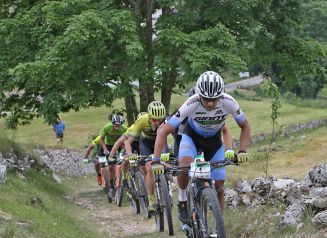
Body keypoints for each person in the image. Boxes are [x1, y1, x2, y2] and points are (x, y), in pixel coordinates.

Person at [151, 71, 250, 224]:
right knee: (184, 166)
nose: (210, 103)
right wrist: (156, 160)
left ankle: (219, 227)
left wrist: (242, 150)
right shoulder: (191, 103)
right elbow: (163, 130)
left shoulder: (229, 102)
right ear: (198, 95)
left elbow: (245, 126)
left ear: (221, 95)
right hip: (192, 138)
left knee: (219, 187)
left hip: (214, 142)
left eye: (214, 99)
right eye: (206, 99)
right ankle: (183, 199)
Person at [109, 102, 166, 215]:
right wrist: (127, 155)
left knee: (166, 163)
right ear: (149, 117)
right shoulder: (140, 122)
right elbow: (124, 142)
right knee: (144, 166)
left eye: (159, 120)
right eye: (154, 119)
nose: (157, 122)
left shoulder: (165, 121)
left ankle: (166, 187)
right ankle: (127, 179)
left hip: (158, 142)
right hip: (142, 144)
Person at [97, 114, 128, 192]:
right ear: (112, 123)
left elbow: (128, 139)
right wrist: (104, 149)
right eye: (115, 125)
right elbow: (101, 139)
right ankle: (108, 181)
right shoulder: (107, 127)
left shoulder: (124, 128)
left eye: (119, 125)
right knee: (105, 164)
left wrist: (125, 149)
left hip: (120, 145)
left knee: (124, 160)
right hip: (108, 146)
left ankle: (124, 180)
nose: (117, 126)